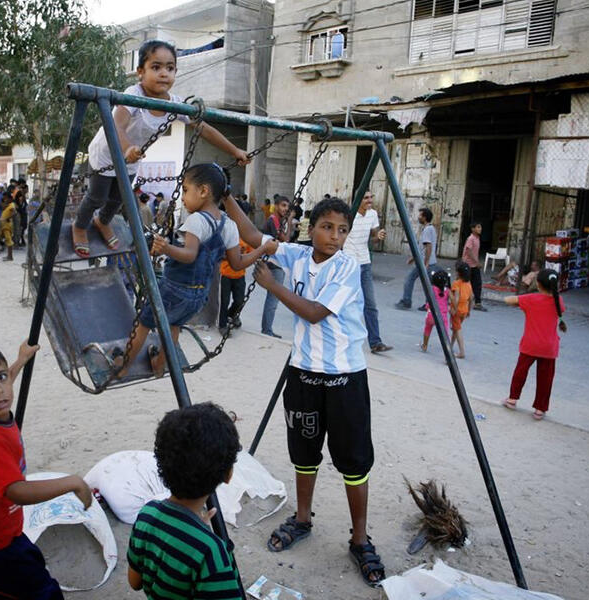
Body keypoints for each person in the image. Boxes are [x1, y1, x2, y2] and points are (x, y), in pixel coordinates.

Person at [224, 196, 386, 588]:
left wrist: (271, 286)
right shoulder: (296, 254)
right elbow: (253, 235)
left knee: (354, 461)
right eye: (327, 227)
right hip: (304, 375)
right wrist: (226, 195)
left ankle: (360, 539)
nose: (334, 236)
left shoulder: (347, 267)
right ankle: (301, 519)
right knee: (304, 452)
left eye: (342, 230)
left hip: (345, 378)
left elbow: (314, 312)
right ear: (310, 229)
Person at [70, 39, 250, 258]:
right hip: (108, 154)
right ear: (140, 72)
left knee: (118, 198)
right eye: (156, 67)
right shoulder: (133, 94)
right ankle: (80, 226)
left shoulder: (174, 103)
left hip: (132, 157)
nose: (164, 73)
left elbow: (204, 129)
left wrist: (235, 150)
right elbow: (117, 125)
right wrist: (126, 149)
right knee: (97, 197)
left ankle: (102, 222)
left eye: (170, 68)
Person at [0, 341, 92, 600]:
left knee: (38, 578)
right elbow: (17, 491)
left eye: (1, 377)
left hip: (9, 533)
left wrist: (20, 360)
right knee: (42, 594)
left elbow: (1, 385)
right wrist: (72, 482)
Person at [113, 164, 275, 378]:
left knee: (144, 322)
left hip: (175, 288)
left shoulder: (197, 220)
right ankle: (159, 364)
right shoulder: (229, 225)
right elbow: (238, 263)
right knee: (174, 325)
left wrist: (166, 248)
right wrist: (262, 249)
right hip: (199, 295)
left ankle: (123, 367)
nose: (182, 197)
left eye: (186, 190)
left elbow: (189, 254)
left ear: (203, 191)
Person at [127, 402, 244, 599]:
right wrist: (199, 533)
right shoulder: (211, 553)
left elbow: (135, 582)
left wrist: (195, 528)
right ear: (228, 475)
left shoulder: (147, 514)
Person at [502, 269, 567, 421]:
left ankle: (512, 399)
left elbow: (508, 300)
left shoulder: (531, 299)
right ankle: (540, 409)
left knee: (520, 372)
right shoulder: (559, 300)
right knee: (546, 379)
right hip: (549, 347)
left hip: (530, 345)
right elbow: (558, 310)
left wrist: (519, 300)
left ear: (538, 284)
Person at [342, 190, 391, 353]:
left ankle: (375, 342)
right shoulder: (349, 216)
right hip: (350, 264)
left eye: (371, 197)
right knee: (347, 303)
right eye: (366, 198)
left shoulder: (372, 214)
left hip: (365, 263)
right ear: (358, 200)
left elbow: (374, 238)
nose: (369, 200)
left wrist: (379, 235)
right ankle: (342, 338)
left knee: (370, 304)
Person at [260, 196, 291, 338]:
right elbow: (285, 239)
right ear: (276, 205)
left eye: (287, 206)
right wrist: (290, 220)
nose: (285, 209)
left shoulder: (278, 221)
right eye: (283, 205)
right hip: (274, 263)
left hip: (276, 262)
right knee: (273, 298)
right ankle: (267, 329)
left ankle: (267, 328)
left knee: (272, 297)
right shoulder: (273, 220)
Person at [395, 207, 438, 310]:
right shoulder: (430, 228)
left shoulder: (427, 230)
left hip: (424, 263)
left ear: (425, 217)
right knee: (428, 284)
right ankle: (428, 305)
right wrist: (413, 258)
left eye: (420, 215)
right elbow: (422, 248)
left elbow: (428, 247)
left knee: (410, 279)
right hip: (426, 262)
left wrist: (426, 263)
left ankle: (407, 301)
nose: (418, 217)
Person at [218, 239, 252, 334]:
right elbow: (220, 254)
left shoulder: (246, 239)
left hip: (240, 275)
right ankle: (222, 325)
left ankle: (232, 314)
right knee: (224, 301)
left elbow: (251, 254)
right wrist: (232, 256)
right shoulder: (228, 237)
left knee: (240, 300)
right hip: (226, 275)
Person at [421, 269, 451, 353]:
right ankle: (447, 351)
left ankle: (425, 345)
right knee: (445, 334)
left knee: (427, 328)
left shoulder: (432, 289)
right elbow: (452, 300)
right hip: (442, 316)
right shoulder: (447, 291)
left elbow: (429, 299)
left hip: (431, 314)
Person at [450, 262, 473, 359]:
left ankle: (462, 352)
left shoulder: (456, 283)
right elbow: (471, 298)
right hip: (464, 310)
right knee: (456, 329)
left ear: (458, 273)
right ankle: (450, 345)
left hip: (457, 310)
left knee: (458, 330)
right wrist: (469, 311)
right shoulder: (468, 284)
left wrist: (454, 309)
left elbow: (456, 297)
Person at [462, 221, 487, 311]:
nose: (480, 229)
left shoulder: (477, 238)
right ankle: (460, 301)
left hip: (473, 265)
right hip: (468, 264)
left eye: (480, 227)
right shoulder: (471, 238)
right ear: (473, 229)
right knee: (465, 283)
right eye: (478, 227)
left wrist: (476, 262)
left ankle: (477, 303)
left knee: (477, 284)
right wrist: (477, 262)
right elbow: (469, 251)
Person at [0, 192, 17, 262]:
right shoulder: (8, 205)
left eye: (6, 198)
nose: (5, 200)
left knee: (9, 240)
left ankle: (10, 257)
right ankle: (8, 255)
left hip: (7, 225)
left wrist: (8, 218)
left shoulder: (11, 205)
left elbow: (14, 213)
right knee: (7, 240)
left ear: (9, 198)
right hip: (4, 225)